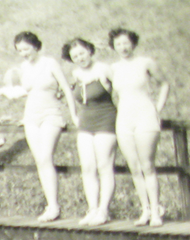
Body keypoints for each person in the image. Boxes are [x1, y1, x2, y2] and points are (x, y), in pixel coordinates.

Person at [0, 32, 78, 221]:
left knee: (45, 157)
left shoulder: (50, 63)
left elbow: (66, 89)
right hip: (31, 116)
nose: (24, 53)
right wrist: (7, 88)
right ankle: (51, 206)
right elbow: (21, 91)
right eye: (19, 50)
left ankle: (54, 206)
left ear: (36, 46)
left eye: (26, 49)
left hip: (51, 114)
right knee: (40, 161)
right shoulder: (22, 67)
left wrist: (74, 114)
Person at [109, 28, 170, 226]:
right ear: (114, 47)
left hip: (145, 117)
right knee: (134, 168)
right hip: (124, 119)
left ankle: (156, 212)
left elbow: (164, 84)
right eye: (118, 44)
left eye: (126, 43)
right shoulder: (113, 68)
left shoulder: (146, 63)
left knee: (147, 166)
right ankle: (145, 210)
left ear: (133, 44)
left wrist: (157, 108)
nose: (123, 47)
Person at [63, 38, 118, 225]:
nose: (80, 58)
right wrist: (74, 116)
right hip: (85, 122)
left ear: (90, 51)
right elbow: (70, 95)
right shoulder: (75, 73)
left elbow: (120, 91)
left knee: (104, 165)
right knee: (87, 167)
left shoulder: (104, 68)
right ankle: (92, 209)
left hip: (106, 119)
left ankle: (104, 210)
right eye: (75, 56)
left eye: (82, 53)